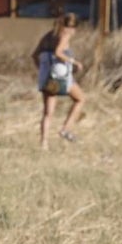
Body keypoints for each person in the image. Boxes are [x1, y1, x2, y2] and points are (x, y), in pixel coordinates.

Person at [32, 13, 86, 146]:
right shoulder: (64, 35)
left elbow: (34, 55)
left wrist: (42, 70)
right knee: (81, 99)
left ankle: (44, 143)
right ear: (71, 27)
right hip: (61, 78)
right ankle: (66, 128)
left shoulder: (47, 36)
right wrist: (74, 62)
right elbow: (58, 52)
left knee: (48, 112)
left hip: (48, 77)